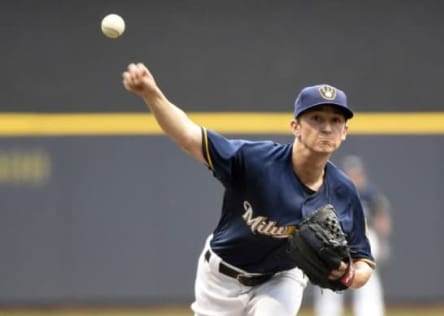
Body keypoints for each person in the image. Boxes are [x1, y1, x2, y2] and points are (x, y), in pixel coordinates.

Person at [122, 62, 376, 316]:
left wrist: (350, 274)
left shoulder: (343, 191)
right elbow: (189, 137)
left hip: (280, 279)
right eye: (316, 118)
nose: (327, 127)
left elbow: (363, 260)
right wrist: (151, 94)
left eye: (336, 120)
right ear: (295, 127)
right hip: (220, 279)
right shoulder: (257, 161)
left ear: (345, 132)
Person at [314, 155, 392, 316]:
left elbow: (381, 217)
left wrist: (382, 239)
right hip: (337, 236)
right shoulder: (335, 191)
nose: (353, 176)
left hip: (365, 235)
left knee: (366, 278)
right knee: (332, 276)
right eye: (350, 173)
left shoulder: (369, 193)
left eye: (356, 173)